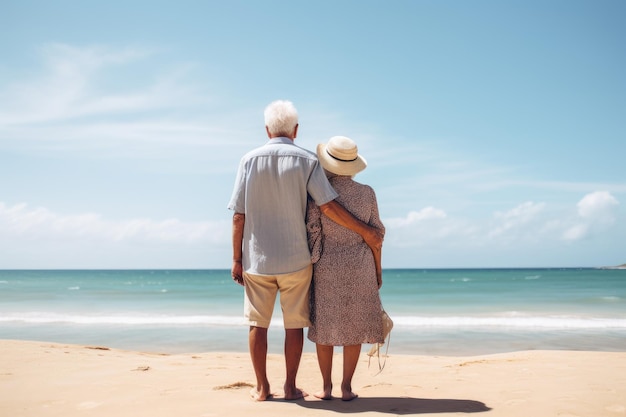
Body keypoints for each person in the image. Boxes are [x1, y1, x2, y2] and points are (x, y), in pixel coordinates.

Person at [228, 100, 382, 401]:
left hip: (257, 259)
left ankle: (262, 388)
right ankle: (290, 387)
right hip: (297, 259)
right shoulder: (306, 160)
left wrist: (236, 258)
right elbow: (327, 205)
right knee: (294, 324)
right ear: (296, 130)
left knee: (257, 323)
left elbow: (238, 215)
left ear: (266, 129)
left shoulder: (248, 159)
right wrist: (366, 233)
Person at [306, 135, 386, 401]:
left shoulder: (318, 194)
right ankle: (347, 388)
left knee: (325, 328)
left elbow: (314, 232)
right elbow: (377, 236)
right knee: (354, 328)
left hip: (327, 264)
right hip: (361, 265)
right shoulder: (367, 193)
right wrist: (377, 270)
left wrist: (312, 264)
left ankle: (326, 388)